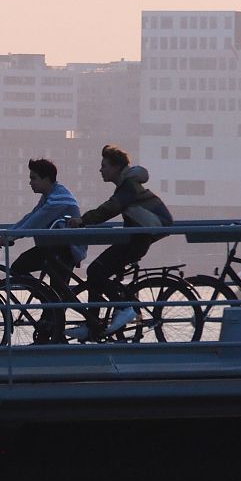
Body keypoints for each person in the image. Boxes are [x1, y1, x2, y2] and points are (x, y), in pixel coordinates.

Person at [66, 145, 173, 341]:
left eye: (104, 166)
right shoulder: (127, 185)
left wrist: (83, 220)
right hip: (133, 239)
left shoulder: (129, 186)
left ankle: (123, 307)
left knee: (95, 272)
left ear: (116, 167)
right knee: (97, 272)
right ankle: (94, 324)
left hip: (136, 241)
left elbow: (111, 208)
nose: (101, 170)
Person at [0, 158, 86, 295]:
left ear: (46, 179)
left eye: (33, 178)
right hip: (54, 246)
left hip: (66, 250)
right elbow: (30, 217)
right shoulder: (51, 194)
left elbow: (36, 221)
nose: (30, 183)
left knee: (57, 295)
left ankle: (48, 302)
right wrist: (7, 234)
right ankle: (46, 299)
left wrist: (10, 237)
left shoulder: (58, 199)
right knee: (19, 268)